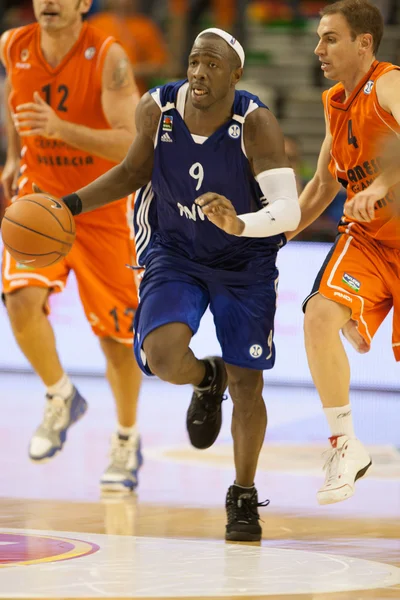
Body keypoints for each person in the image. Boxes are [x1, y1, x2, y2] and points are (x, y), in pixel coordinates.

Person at [47, 28, 300, 541]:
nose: (199, 72)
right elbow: (130, 173)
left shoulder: (256, 125)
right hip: (176, 252)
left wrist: (239, 224)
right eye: (194, 61)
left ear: (236, 73)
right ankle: (207, 380)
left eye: (212, 64)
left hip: (245, 262)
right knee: (161, 355)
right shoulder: (157, 109)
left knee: (249, 381)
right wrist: (70, 205)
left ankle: (243, 494)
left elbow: (288, 211)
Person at [0, 0, 143, 492]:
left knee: (117, 342)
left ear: (85, 3)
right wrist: (14, 154)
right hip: (39, 199)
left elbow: (133, 145)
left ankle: (126, 439)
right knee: (20, 301)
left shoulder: (109, 57)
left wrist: (60, 129)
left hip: (101, 206)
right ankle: (61, 395)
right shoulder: (12, 45)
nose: (50, 2)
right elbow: (13, 100)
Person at [287, 0, 400, 505]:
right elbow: (317, 189)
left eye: (330, 38)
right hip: (370, 242)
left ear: (365, 43)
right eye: (318, 38)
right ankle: (346, 444)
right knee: (319, 315)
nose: (318, 49)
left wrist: (381, 184)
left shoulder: (389, 85)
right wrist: (271, 238)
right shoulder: (336, 101)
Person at [89, 0, 169, 97]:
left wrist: (131, 71)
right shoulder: (95, 24)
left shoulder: (145, 27)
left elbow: (160, 66)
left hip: (134, 98)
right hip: (100, 98)